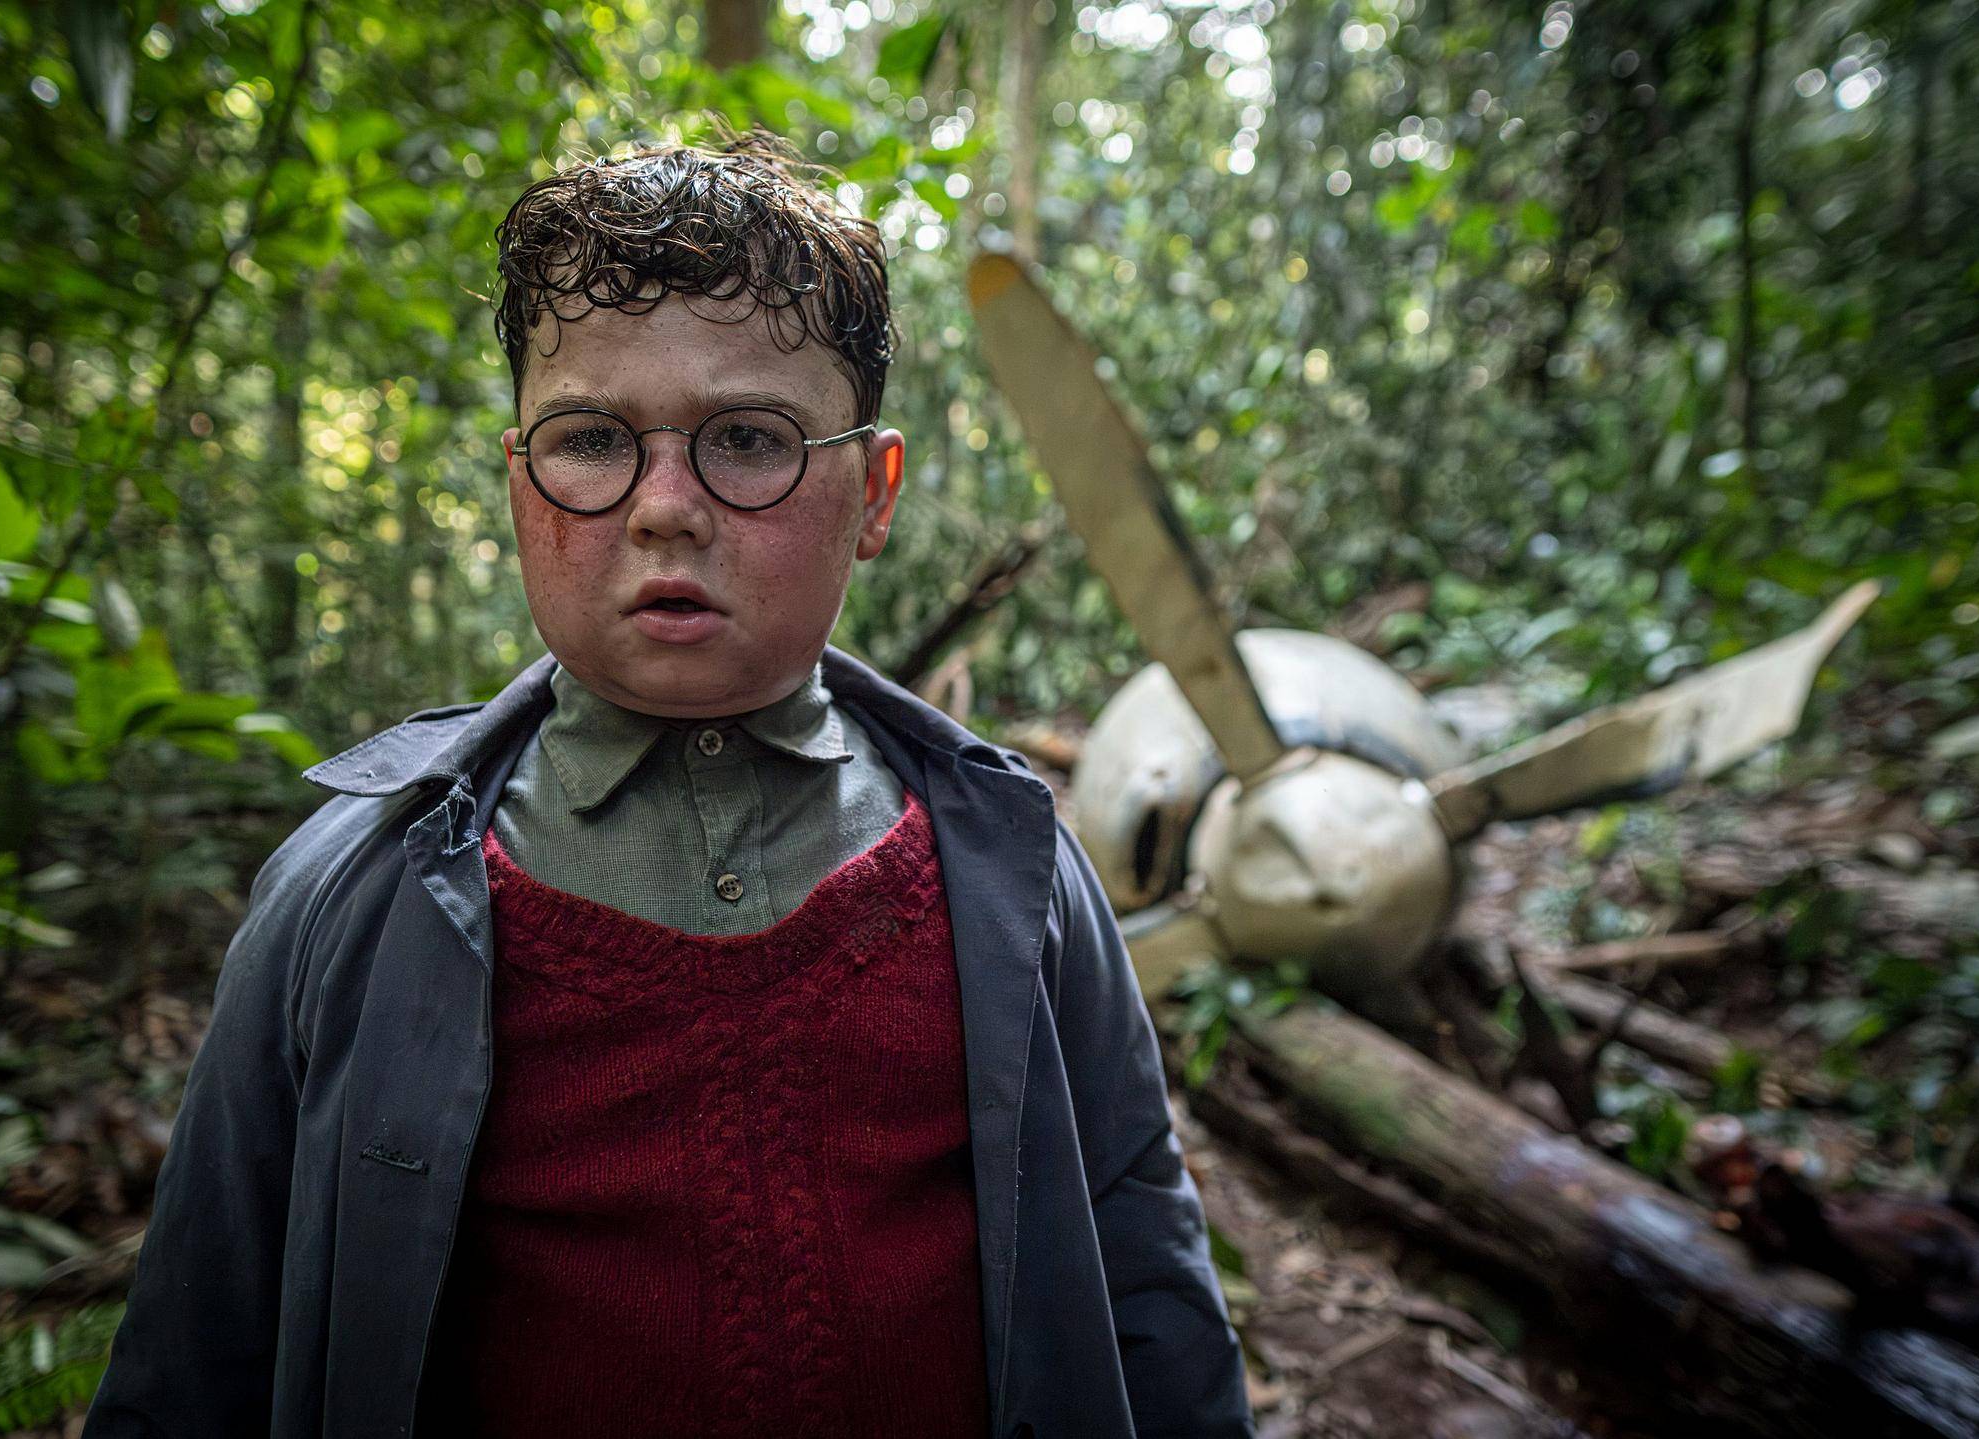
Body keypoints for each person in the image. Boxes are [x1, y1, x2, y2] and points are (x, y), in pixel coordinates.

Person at [84, 130, 1252, 1439]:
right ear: (519, 483)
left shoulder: (1011, 868)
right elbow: (192, 1362)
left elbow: (1151, 1294)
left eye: (748, 439)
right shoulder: (348, 899)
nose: (664, 507)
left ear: (873, 492)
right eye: (592, 440)